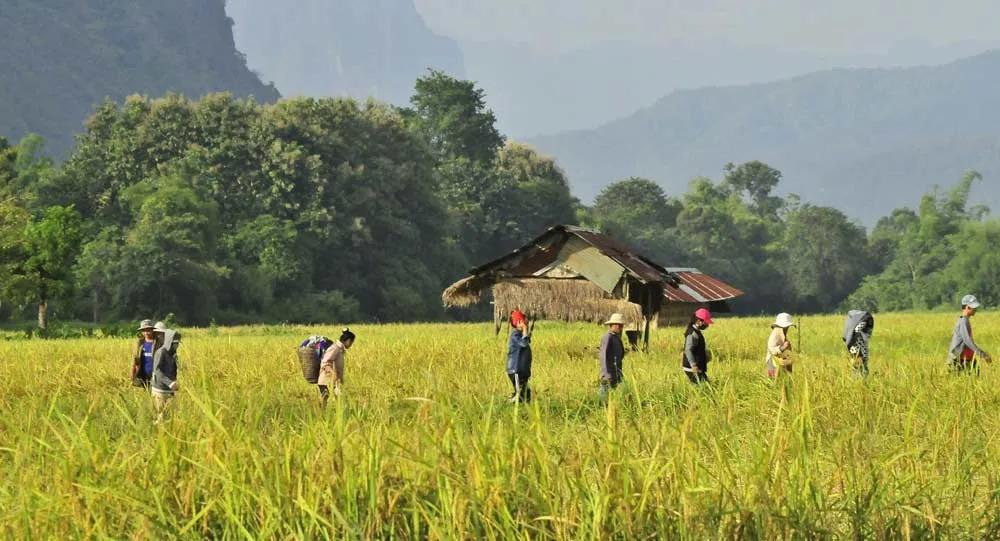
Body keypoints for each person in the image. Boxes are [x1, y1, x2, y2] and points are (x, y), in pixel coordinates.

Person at [948, 295, 992, 373]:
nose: (975, 310)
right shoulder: (963, 321)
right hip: (959, 361)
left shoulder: (965, 321)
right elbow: (967, 341)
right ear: (967, 307)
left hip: (969, 360)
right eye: (973, 308)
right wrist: (983, 355)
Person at [150, 322, 181, 424]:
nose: (176, 346)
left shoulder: (173, 354)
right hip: (160, 389)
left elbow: (176, 369)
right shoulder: (161, 352)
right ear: (169, 342)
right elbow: (157, 371)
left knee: (169, 416)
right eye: (174, 343)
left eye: (177, 343)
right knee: (161, 416)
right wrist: (170, 383)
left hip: (169, 389)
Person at [317, 328, 356, 406]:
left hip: (333, 381)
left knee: (339, 400)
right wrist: (333, 373)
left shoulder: (340, 350)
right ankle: (321, 415)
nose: (351, 345)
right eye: (351, 342)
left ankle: (325, 415)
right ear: (348, 340)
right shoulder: (335, 348)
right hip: (326, 380)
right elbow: (325, 362)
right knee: (328, 398)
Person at [505, 310, 533, 403]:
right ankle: (509, 402)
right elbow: (524, 343)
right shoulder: (515, 334)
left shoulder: (520, 335)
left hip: (522, 371)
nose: (526, 323)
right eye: (524, 321)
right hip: (516, 370)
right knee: (520, 394)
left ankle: (526, 412)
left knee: (527, 395)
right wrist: (525, 329)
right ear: (519, 322)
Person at [599, 313, 627, 396]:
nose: (619, 327)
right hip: (608, 374)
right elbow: (603, 356)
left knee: (614, 397)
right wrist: (606, 373)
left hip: (616, 374)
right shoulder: (608, 337)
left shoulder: (616, 338)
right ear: (611, 325)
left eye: (620, 325)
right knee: (603, 396)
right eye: (616, 324)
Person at [682, 308, 713, 384]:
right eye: (706, 323)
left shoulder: (696, 332)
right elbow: (688, 350)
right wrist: (693, 365)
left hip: (697, 367)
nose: (707, 325)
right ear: (699, 321)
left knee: (705, 386)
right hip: (693, 368)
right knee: (704, 388)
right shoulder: (692, 334)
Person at [843, 310, 874, 376]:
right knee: (860, 364)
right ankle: (861, 378)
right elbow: (857, 330)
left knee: (857, 363)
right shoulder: (867, 319)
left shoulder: (852, 320)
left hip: (852, 342)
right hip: (856, 343)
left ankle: (859, 377)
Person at [766, 313, 795, 378]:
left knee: (783, 381)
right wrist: (782, 348)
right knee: (773, 382)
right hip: (773, 363)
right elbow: (771, 349)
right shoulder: (775, 334)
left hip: (781, 362)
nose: (787, 327)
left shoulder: (782, 332)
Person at [131, 319, 158, 387]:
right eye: (144, 330)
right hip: (143, 374)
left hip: (155, 375)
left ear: (152, 330)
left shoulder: (157, 343)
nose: (146, 332)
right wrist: (133, 373)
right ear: (142, 332)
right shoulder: (140, 344)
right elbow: (135, 360)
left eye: (148, 330)